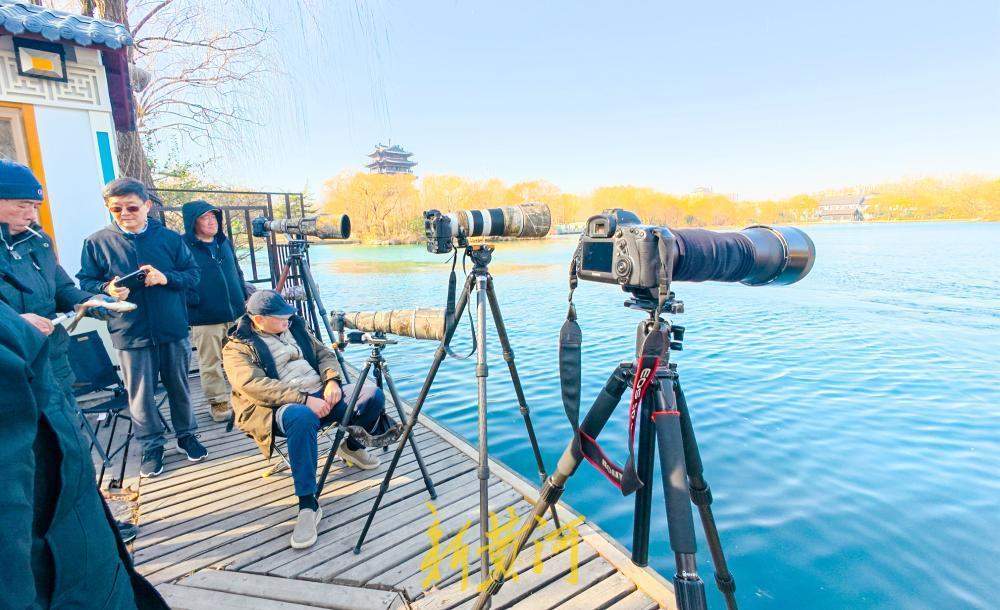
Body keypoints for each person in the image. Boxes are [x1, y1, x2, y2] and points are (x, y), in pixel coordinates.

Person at [0, 160, 141, 541]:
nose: (31, 214)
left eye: (35, 207)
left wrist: (97, 301)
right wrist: (16, 322)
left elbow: (64, 290)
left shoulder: (39, 243)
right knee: (25, 458)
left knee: (71, 446)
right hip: (10, 375)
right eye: (21, 206)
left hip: (53, 362)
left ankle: (93, 526)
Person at [0, 299, 168, 608]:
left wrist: (98, 301)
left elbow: (69, 292)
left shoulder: (35, 250)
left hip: (91, 556)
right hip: (60, 578)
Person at [223, 290, 389, 549]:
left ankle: (352, 448)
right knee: (301, 418)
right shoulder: (237, 346)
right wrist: (303, 399)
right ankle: (308, 504)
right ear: (258, 319)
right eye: (281, 319)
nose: (287, 322)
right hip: (276, 406)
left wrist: (332, 379)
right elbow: (254, 386)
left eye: (289, 316)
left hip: (320, 391)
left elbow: (324, 354)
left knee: (371, 395)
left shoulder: (295, 327)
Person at [78, 178, 207, 478]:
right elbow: (85, 282)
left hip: (172, 328)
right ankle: (151, 446)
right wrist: (106, 288)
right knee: (140, 394)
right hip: (129, 331)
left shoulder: (171, 239)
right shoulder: (96, 242)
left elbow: (194, 275)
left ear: (147, 206)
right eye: (116, 209)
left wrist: (166, 278)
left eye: (132, 207)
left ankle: (187, 437)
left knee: (180, 387)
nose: (125, 214)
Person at [182, 199, 254, 423]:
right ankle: (218, 402)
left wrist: (243, 295)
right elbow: (180, 279)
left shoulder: (224, 242)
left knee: (242, 357)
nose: (211, 221)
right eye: (205, 217)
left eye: (214, 217)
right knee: (210, 362)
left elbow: (237, 271)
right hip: (205, 317)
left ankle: (244, 394)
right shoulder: (183, 246)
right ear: (193, 222)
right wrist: (193, 300)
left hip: (235, 312)